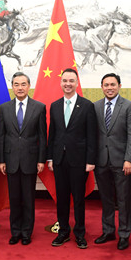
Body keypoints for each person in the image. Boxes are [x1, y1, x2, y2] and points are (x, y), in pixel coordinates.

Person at [47, 68, 97, 249]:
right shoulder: (54, 105)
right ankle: (63, 232)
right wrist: (50, 157)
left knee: (78, 199)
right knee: (61, 198)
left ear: (77, 83)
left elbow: (92, 135)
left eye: (71, 81)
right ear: (60, 83)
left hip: (79, 161)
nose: (68, 84)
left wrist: (91, 161)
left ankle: (80, 233)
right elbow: (52, 134)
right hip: (59, 160)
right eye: (65, 81)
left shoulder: (87, 105)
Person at [0, 72, 47, 246]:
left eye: (23, 84)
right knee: (14, 198)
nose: (20, 87)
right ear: (12, 87)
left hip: (30, 160)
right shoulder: (4, 108)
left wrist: (41, 160)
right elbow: (1, 136)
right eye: (16, 84)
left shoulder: (39, 107)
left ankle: (27, 232)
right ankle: (15, 231)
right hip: (11, 161)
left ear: (29, 86)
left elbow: (42, 135)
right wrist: (2, 160)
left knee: (28, 199)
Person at [93, 73, 131, 250]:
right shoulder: (96, 106)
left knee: (123, 199)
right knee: (105, 199)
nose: (109, 88)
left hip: (122, 162)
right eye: (106, 85)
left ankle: (124, 234)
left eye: (113, 84)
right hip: (101, 161)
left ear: (119, 86)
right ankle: (108, 230)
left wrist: (129, 159)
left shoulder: (128, 106)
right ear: (102, 87)